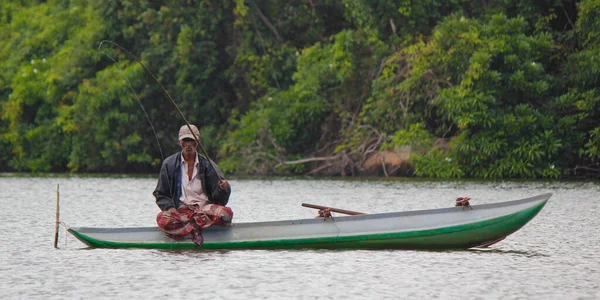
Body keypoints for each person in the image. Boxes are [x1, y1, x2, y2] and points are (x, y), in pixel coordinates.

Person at [153, 124, 232, 246]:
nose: (188, 145)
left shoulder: (208, 165)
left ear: (198, 142)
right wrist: (169, 207)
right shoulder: (169, 164)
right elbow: (160, 194)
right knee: (162, 218)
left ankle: (189, 229)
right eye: (185, 141)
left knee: (226, 214)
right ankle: (195, 227)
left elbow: (220, 200)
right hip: (181, 212)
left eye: (192, 141)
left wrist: (223, 189)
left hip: (203, 210)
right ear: (180, 142)